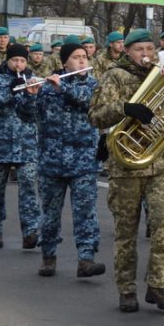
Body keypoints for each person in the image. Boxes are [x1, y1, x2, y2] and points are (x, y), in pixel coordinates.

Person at [89, 29, 164, 313]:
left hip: (160, 163)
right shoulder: (115, 76)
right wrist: (125, 108)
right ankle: (126, 289)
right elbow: (95, 115)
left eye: (150, 48)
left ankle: (157, 284)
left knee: (163, 225)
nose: (146, 54)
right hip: (125, 166)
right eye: (139, 50)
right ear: (127, 51)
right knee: (126, 232)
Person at [32, 41, 105, 278]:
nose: (82, 60)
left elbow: (86, 101)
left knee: (85, 212)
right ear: (65, 62)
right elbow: (28, 115)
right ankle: (48, 256)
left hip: (84, 161)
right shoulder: (47, 87)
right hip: (51, 162)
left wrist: (63, 87)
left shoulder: (93, 85)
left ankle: (86, 259)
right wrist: (29, 94)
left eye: (84, 56)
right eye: (76, 57)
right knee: (50, 213)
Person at [0, 43, 40, 249]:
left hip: (26, 144)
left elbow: (34, 114)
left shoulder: (33, 80)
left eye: (22, 61)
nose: (18, 64)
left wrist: (29, 95)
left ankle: (30, 231)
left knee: (29, 187)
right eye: (14, 60)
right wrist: (9, 92)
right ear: (7, 60)